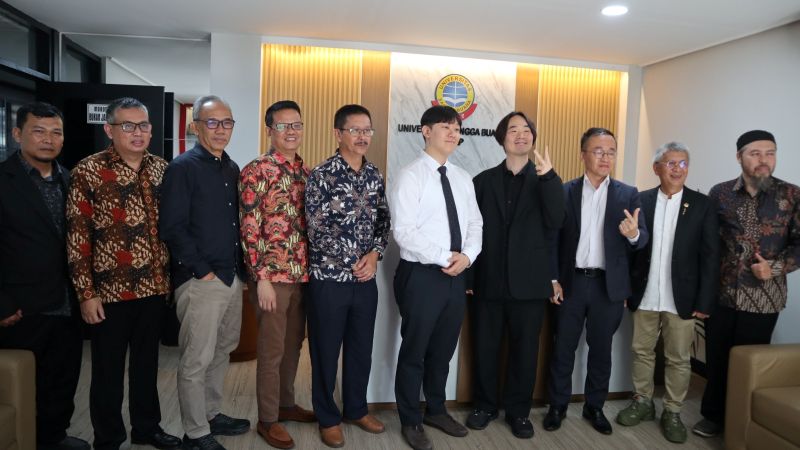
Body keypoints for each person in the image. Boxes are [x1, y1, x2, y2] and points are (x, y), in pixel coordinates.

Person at [66, 97, 181, 449]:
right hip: (109, 294)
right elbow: (77, 238)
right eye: (127, 126)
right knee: (107, 371)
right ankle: (108, 438)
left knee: (147, 366)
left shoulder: (162, 168)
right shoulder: (88, 171)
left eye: (143, 125)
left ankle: (147, 428)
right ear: (109, 129)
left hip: (153, 287)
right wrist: (86, 294)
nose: (137, 133)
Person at [693, 130, 800, 438]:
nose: (764, 160)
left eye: (770, 153)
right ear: (739, 156)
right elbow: (708, 244)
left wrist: (774, 268)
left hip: (764, 298)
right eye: (755, 153)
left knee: (750, 363)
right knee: (717, 359)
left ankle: (739, 421)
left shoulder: (792, 195)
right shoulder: (720, 193)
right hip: (722, 295)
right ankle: (713, 416)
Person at [389, 105, 483, 450]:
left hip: (456, 276)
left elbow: (475, 223)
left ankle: (436, 410)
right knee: (415, 350)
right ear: (426, 131)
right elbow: (404, 232)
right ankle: (410, 419)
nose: (453, 133)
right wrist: (447, 257)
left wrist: (467, 257)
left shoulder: (462, 178)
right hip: (422, 276)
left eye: (457, 128)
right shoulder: (409, 175)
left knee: (443, 350)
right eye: (446, 127)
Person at [544, 127, 648, 436]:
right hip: (571, 283)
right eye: (598, 151)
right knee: (563, 348)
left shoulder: (628, 193)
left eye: (611, 152)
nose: (605, 158)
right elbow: (552, 240)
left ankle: (595, 406)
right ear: (583, 155)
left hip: (608, 286)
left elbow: (642, 239)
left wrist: (634, 235)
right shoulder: (565, 192)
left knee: (601, 350)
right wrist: (553, 279)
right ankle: (557, 406)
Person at [466, 111, 564, 439]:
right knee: (485, 348)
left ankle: (519, 412)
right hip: (488, 281)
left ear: (533, 138)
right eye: (513, 130)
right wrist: (469, 278)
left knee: (525, 353)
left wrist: (549, 179)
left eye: (526, 130)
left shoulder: (547, 180)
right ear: (502, 138)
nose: (521, 135)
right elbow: (471, 232)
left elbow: (557, 221)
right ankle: (484, 406)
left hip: (530, 285)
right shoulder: (483, 181)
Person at [159, 95, 250, 449]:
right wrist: (203, 271)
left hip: (231, 276)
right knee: (196, 359)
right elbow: (172, 227)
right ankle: (196, 433)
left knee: (223, 349)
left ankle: (211, 414)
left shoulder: (231, 167)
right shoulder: (182, 168)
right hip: (201, 280)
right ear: (196, 126)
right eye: (212, 122)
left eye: (227, 122)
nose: (221, 129)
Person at [616, 142, 719, 444]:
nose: (677, 169)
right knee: (641, 351)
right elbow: (630, 251)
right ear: (656, 168)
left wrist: (705, 300)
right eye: (671, 163)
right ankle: (643, 402)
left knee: (678, 358)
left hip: (682, 296)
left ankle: (672, 411)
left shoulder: (702, 205)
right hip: (645, 292)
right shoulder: (641, 200)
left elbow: (711, 256)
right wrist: (625, 288)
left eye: (683, 163)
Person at [0, 102, 88, 450]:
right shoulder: (3, 180)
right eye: (38, 131)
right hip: (21, 306)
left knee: (63, 378)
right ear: (17, 133)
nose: (48, 139)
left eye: (56, 132)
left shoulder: (70, 179)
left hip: (67, 302)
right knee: (23, 383)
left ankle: (54, 437)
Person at [305, 104, 391, 447]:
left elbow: (384, 221)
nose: (362, 136)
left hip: (365, 280)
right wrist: (354, 259)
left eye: (367, 130)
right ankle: (327, 417)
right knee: (325, 351)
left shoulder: (374, 175)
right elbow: (316, 229)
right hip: (329, 279)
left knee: (360, 348)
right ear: (338, 133)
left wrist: (375, 255)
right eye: (354, 130)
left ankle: (356, 408)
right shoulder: (322, 174)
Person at [240, 100, 316, 449]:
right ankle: (268, 419)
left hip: (302, 275)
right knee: (271, 350)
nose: (291, 131)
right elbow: (249, 228)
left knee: (293, 345)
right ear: (270, 130)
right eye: (283, 125)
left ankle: (286, 404)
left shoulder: (306, 172)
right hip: (271, 278)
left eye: (296, 124)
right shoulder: (257, 170)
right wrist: (261, 279)